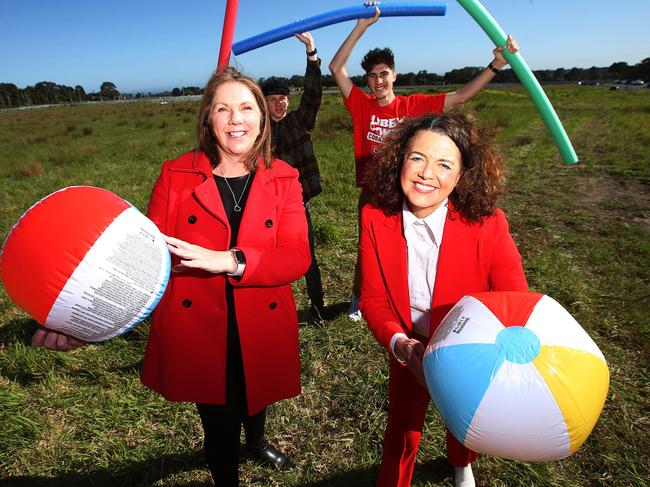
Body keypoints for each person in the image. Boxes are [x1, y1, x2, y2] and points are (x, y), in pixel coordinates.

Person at [33, 67, 311, 486]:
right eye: (223, 109)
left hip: (262, 315)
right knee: (217, 418)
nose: (236, 119)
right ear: (208, 119)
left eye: (246, 107)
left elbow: (296, 257)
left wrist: (229, 260)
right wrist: (84, 324)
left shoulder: (285, 178)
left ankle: (255, 440)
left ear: (262, 116)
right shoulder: (176, 175)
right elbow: (142, 262)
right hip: (199, 323)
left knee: (257, 390)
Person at [358, 112, 528, 487]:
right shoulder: (373, 216)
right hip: (408, 345)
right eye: (417, 157)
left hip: (469, 347)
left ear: (462, 175)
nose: (425, 173)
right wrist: (399, 342)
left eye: (444, 163)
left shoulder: (488, 224)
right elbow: (372, 298)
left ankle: (461, 460)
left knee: (462, 417)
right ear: (400, 158)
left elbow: (515, 301)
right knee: (402, 429)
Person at [328, 1, 519, 321]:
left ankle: (409, 297)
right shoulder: (360, 106)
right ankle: (359, 299)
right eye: (372, 76)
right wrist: (361, 26)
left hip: (411, 191)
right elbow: (336, 67)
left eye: (384, 74)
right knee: (369, 250)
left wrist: (495, 65)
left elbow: (461, 96)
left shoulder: (415, 105)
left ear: (394, 75)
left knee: (411, 248)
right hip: (373, 192)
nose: (378, 81)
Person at [261, 31, 328, 320]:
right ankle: (274, 309)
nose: (279, 103)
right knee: (271, 260)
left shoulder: (299, 122)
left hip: (298, 205)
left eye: (283, 98)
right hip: (265, 207)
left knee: (308, 256)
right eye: (273, 99)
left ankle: (317, 308)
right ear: (264, 102)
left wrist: (311, 51)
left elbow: (313, 94)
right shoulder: (256, 132)